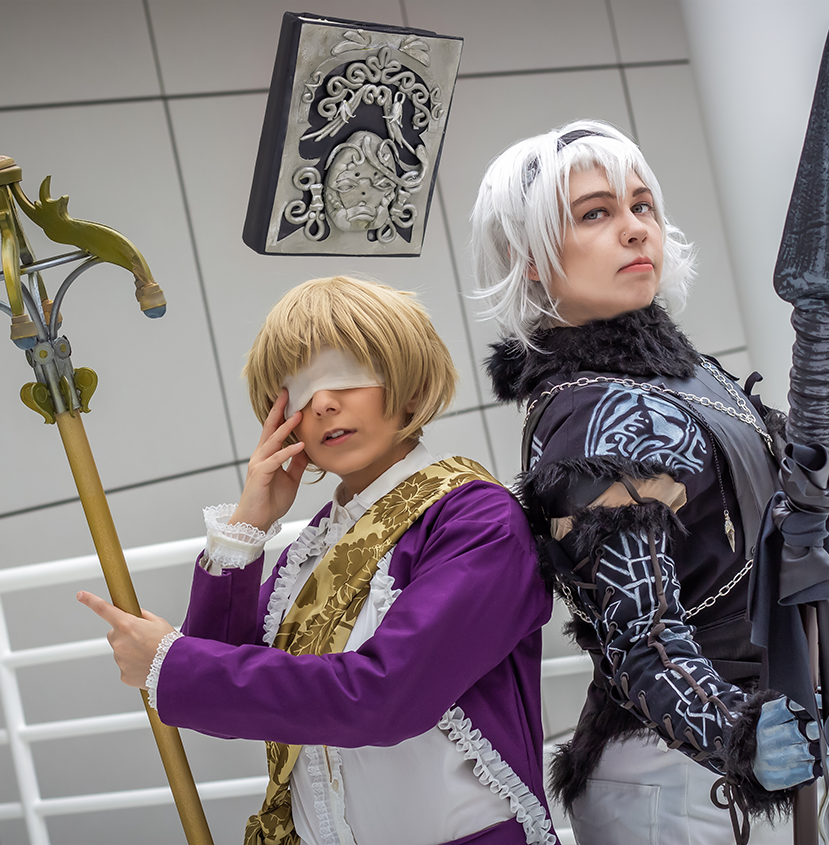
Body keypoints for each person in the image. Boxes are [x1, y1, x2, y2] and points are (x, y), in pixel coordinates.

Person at [472, 120, 829, 844]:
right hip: (683, 783)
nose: (635, 228)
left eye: (642, 205)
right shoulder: (597, 414)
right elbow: (641, 635)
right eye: (595, 213)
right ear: (530, 258)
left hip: (762, 743)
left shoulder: (687, 374)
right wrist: (738, 734)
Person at [79, 276, 556, 845]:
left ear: (408, 387)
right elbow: (223, 680)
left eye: (347, 375)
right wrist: (249, 525)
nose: (323, 402)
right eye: (298, 389)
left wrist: (172, 664)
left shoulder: (476, 520)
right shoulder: (312, 549)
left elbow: (385, 696)